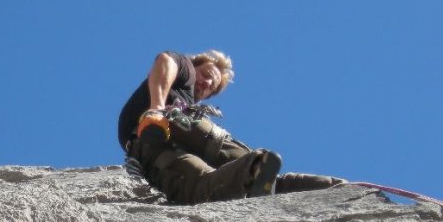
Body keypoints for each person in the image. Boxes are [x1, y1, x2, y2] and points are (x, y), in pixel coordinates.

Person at [118, 50, 344, 205]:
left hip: (166, 137)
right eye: (206, 75)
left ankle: (335, 188)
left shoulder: (189, 97)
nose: (206, 84)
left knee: (265, 174)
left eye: (211, 87)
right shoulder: (185, 68)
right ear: (196, 64)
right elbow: (164, 60)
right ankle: (251, 168)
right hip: (161, 133)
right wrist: (157, 107)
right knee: (200, 189)